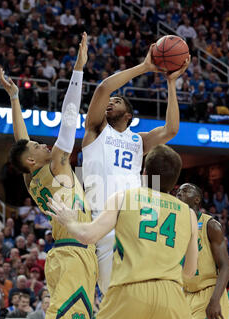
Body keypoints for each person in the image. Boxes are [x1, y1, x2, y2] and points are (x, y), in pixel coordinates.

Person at [46, 144, 202, 319]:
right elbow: (190, 272)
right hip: (170, 297)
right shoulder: (189, 214)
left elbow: (89, 235)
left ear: (144, 171)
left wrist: (70, 222)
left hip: (129, 292)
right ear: (175, 181)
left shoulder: (125, 197)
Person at [0, 33, 98, 319]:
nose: (45, 144)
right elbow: (69, 116)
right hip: (73, 254)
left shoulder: (31, 178)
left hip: (65, 253)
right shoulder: (56, 163)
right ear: (33, 159)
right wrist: (78, 69)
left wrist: (14, 97)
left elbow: (18, 142)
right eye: (38, 146)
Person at [81, 43, 190, 295]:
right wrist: (144, 67)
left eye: (116, 101)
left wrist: (171, 84)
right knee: (113, 295)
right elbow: (103, 88)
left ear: (128, 114)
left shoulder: (138, 141)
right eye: (110, 101)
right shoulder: (96, 130)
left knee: (138, 294)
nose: (110, 102)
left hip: (135, 220)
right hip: (101, 221)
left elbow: (171, 129)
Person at [176, 183, 229, 319]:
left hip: (209, 292)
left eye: (185, 190)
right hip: (185, 294)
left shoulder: (211, 225)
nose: (180, 192)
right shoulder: (174, 225)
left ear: (197, 199)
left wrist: (216, 300)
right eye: (178, 190)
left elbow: (226, 265)